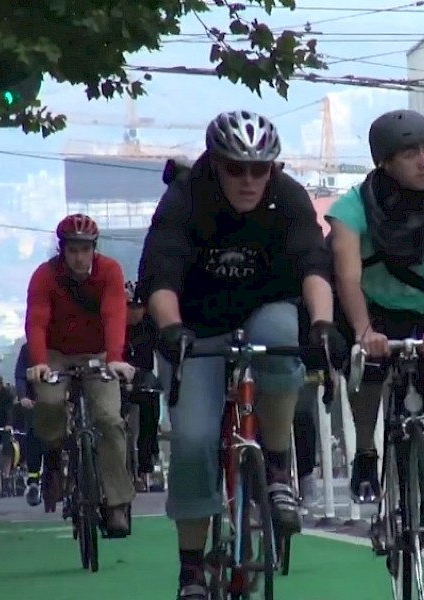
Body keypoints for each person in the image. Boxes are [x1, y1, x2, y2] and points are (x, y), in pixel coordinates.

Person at [138, 110, 345, 600]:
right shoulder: (186, 197)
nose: (249, 180)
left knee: (279, 333)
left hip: (265, 307)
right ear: (215, 165)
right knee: (191, 441)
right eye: (236, 169)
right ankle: (191, 570)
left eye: (260, 169)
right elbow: (160, 276)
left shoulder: (288, 196)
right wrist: (170, 330)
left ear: (273, 168)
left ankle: (276, 467)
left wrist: (322, 325)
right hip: (195, 326)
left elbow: (313, 264)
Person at [326, 109, 424, 594]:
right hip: (374, 313)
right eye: (410, 153)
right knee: (368, 370)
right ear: (386, 162)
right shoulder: (354, 205)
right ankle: (367, 452)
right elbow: (347, 275)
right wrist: (364, 328)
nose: (423, 160)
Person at [24, 213, 136, 534]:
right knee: (49, 402)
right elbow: (37, 320)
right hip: (56, 354)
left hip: (98, 353)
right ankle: (55, 458)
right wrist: (40, 361)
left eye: (84, 249)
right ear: (62, 249)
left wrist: (114, 358)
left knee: (109, 420)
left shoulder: (109, 271)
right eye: (72, 249)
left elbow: (114, 313)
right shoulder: (45, 276)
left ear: (94, 249)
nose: (78, 256)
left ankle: (116, 505)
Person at [123, 280, 161, 492]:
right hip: (119, 375)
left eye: (139, 308)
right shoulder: (117, 324)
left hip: (144, 376)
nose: (135, 313)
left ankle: (147, 464)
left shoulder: (150, 326)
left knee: (151, 412)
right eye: (131, 308)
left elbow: (162, 349)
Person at [15, 342, 45, 506]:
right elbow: (20, 375)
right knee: (34, 434)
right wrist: (23, 396)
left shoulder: (64, 342)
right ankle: (33, 481)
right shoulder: (28, 348)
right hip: (35, 400)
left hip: (63, 396)